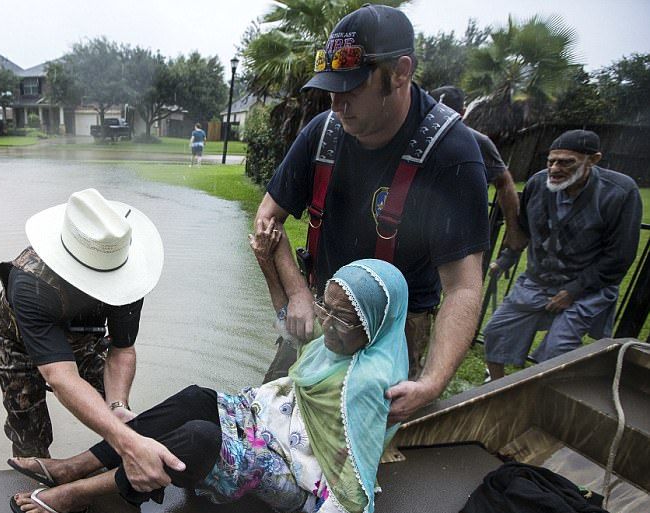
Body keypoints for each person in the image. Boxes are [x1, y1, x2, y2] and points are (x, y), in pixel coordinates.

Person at [10, 257, 409, 513]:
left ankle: (77, 494)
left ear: (375, 325)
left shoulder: (367, 386)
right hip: (272, 424)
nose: (326, 321)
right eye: (326, 306)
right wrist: (268, 259)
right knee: (196, 397)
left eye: (341, 318)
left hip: (297, 476)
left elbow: (350, 502)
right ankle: (74, 466)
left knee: (202, 439)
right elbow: (292, 328)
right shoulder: (341, 341)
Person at [254, 4, 488, 422]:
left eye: (353, 87)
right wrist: (297, 292)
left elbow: (463, 287)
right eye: (331, 89)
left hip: (395, 330)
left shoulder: (451, 153)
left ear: (400, 72)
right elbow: (267, 218)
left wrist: (432, 382)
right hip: (321, 306)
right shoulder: (322, 133)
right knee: (270, 419)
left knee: (363, 454)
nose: (338, 104)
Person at [0, 188, 186, 493]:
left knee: (122, 421)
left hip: (84, 340)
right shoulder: (31, 285)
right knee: (29, 429)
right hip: (20, 345)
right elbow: (62, 377)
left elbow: (122, 348)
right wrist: (125, 439)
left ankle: (117, 480)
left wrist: (117, 406)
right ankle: (40, 489)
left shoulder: (128, 273)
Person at [483, 130, 642, 379]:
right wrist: (506, 259)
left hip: (587, 288)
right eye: (551, 161)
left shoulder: (619, 193)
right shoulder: (537, 184)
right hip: (539, 280)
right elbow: (523, 229)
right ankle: (496, 385)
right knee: (496, 331)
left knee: (557, 350)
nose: (555, 169)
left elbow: (619, 256)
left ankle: (542, 396)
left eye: (566, 162)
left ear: (593, 159)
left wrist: (574, 291)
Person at [429, 85, 521, 248]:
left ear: (462, 113)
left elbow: (503, 181)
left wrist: (513, 230)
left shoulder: (476, 142)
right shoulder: (417, 137)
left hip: (457, 230)